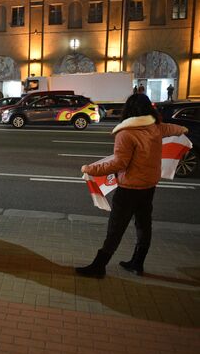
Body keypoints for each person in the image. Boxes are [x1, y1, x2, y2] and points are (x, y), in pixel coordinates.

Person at [76, 94, 188, 278]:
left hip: (129, 188)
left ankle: (99, 266)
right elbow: (172, 129)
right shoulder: (156, 128)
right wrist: (182, 129)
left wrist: (90, 169)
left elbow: (119, 164)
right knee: (144, 224)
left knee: (116, 228)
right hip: (149, 186)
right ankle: (137, 263)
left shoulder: (126, 133)